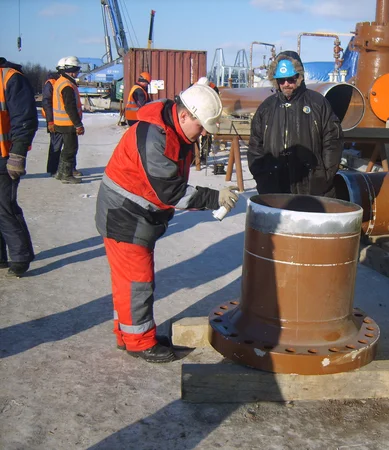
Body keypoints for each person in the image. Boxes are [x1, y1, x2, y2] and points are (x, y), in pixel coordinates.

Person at [95, 83, 239, 363]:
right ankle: (139, 342)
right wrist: (214, 197)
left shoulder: (173, 128)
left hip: (134, 213)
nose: (204, 133)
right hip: (124, 214)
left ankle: (129, 334)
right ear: (184, 115)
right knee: (138, 281)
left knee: (128, 282)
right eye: (201, 126)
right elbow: (169, 191)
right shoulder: (156, 136)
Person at [247, 50, 343, 197]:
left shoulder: (318, 104)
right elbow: (255, 147)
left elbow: (333, 141)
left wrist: (323, 177)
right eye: (281, 80)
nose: (286, 84)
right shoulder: (266, 108)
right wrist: (263, 178)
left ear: (299, 77)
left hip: (314, 189)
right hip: (274, 188)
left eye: (291, 79)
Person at [0, 57, 38, 277]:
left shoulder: (11, 78)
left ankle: (20, 257)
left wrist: (18, 154)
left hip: (4, 156)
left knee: (4, 208)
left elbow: (24, 119)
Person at [53, 55, 84, 184]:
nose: (77, 73)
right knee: (71, 148)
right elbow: (70, 107)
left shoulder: (61, 81)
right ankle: (67, 174)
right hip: (67, 123)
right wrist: (78, 124)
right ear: (72, 70)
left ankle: (61, 173)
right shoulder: (67, 85)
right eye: (77, 70)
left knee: (66, 148)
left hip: (61, 122)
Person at [41, 58, 65, 177]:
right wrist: (50, 121)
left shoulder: (62, 81)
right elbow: (46, 103)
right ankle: (53, 169)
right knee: (56, 146)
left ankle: (68, 168)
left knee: (69, 146)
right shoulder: (51, 83)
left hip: (65, 121)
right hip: (55, 120)